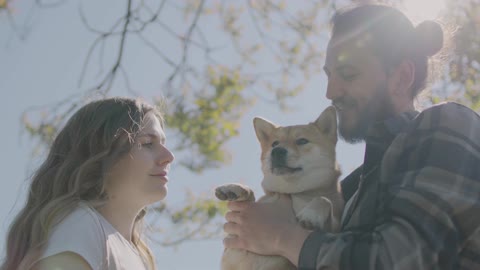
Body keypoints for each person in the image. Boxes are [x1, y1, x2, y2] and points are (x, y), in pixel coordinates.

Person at [222, 3, 480, 270]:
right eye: (329, 75)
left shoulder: (448, 123)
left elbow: (406, 259)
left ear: (401, 77)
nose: (330, 91)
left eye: (348, 74)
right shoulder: (349, 192)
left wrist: (281, 236)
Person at [1, 97, 175, 270]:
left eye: (163, 143)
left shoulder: (140, 256)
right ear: (101, 155)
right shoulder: (80, 227)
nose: (169, 157)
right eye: (147, 144)